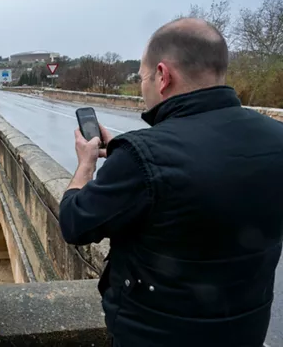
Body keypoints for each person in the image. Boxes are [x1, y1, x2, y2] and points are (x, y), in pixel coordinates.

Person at [58, 18, 283, 347]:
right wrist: (131, 156)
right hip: (246, 330)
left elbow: (74, 223)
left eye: (142, 78)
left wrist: (86, 164)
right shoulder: (276, 138)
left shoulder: (138, 158)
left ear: (163, 76)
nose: (142, 87)